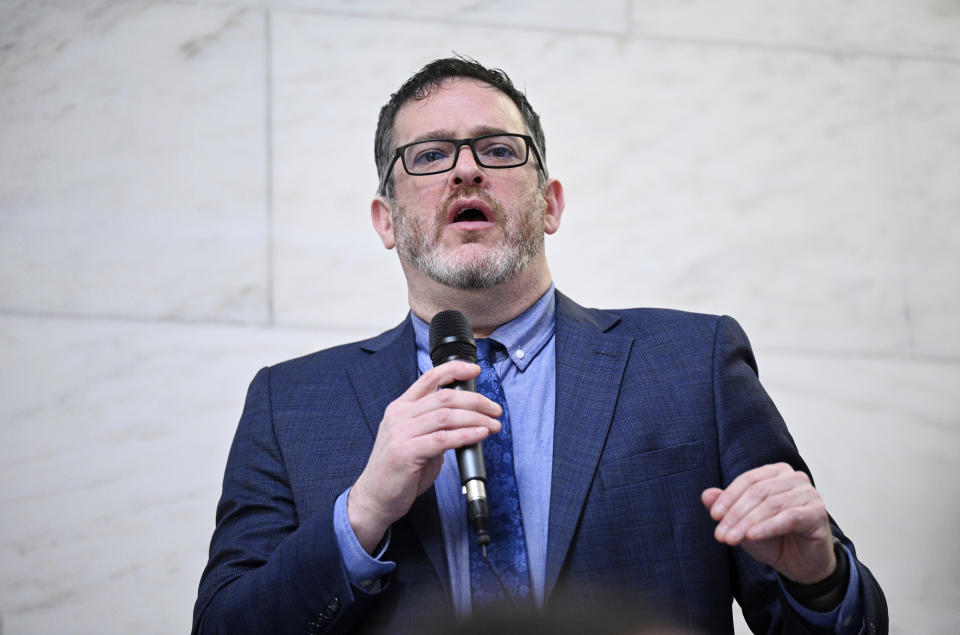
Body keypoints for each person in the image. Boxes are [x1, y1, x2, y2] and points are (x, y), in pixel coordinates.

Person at [192, 57, 887, 635]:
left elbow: (834, 617)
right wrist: (364, 510)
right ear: (387, 221)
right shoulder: (289, 404)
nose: (466, 171)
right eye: (430, 155)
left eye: (496, 150)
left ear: (549, 203)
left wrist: (819, 582)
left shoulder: (693, 362)